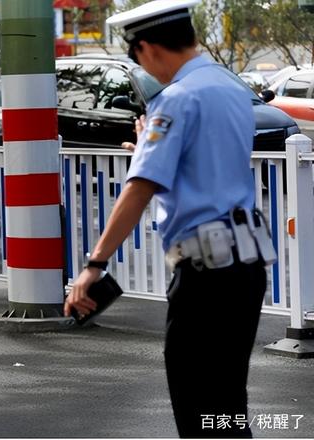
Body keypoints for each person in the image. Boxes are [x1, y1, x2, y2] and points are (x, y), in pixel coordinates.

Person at [64, 0, 269, 437]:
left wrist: (94, 265)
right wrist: (148, 147)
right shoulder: (230, 87)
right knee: (228, 403)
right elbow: (203, 162)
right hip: (246, 264)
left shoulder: (175, 99)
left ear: (149, 48)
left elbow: (141, 188)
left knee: (198, 408)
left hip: (205, 274)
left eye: (137, 57)